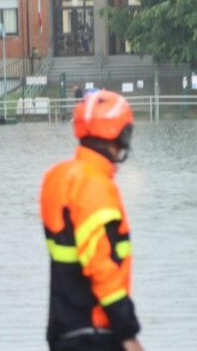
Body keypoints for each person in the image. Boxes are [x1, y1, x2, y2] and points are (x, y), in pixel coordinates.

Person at [40, 90, 143, 351]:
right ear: (120, 136)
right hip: (96, 333)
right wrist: (128, 333)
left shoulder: (57, 178)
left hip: (62, 330)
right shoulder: (94, 186)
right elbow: (101, 266)